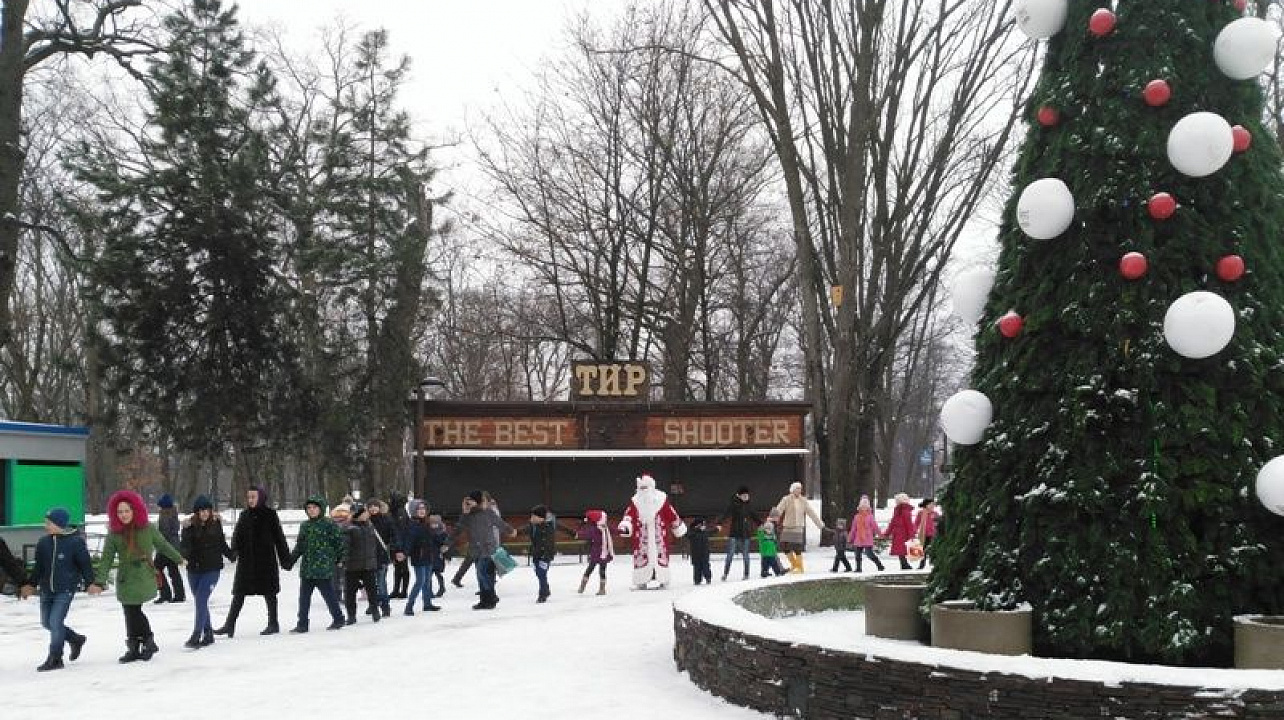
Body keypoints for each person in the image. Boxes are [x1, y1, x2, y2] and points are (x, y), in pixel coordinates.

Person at [93, 489, 186, 663]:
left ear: (134, 510)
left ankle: (147, 641)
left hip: (143, 575)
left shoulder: (147, 528)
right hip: (126, 578)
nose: (123, 515)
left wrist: (178, 558)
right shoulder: (114, 533)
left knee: (133, 610)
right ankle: (136, 646)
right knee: (129, 611)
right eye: (119, 512)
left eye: (127, 511)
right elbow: (106, 558)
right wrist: (99, 581)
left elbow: (163, 545)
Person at [21, 507, 100, 671]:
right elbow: (39, 568)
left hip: (65, 589)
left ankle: (55, 658)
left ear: (59, 524)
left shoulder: (75, 542)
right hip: (46, 590)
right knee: (46, 622)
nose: (46, 526)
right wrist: (30, 585)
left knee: (55, 622)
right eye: (46, 522)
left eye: (49, 523)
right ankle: (75, 639)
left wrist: (91, 582)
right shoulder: (44, 542)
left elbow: (85, 565)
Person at [216, 485, 291, 638]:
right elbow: (237, 536)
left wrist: (285, 560)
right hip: (247, 562)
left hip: (265, 561)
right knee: (239, 593)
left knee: (270, 593)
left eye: (253, 497)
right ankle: (229, 625)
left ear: (261, 498)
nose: (250, 500)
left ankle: (273, 623)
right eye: (248, 497)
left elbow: (279, 538)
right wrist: (234, 551)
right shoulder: (244, 515)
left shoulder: (270, 515)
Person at [179, 495, 234, 649]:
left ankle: (197, 634)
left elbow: (222, 544)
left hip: (212, 568)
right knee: (200, 601)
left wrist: (231, 555)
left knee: (201, 599)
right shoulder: (189, 527)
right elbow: (185, 546)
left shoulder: (216, 524)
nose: (204, 513)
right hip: (194, 569)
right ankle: (208, 634)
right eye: (201, 510)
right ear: (196, 512)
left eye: (207, 510)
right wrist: (183, 556)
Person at [288, 495, 347, 633]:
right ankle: (302, 623)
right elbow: (300, 546)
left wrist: (339, 559)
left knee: (329, 596)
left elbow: (339, 543)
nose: (311, 510)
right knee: (303, 599)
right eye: (309, 508)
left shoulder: (329, 524)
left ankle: (338, 618)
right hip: (307, 568)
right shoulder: (305, 526)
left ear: (321, 509)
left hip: (323, 568)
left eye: (314, 507)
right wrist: (291, 560)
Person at [618, 473, 687, 589]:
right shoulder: (635, 501)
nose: (644, 490)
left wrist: (677, 525)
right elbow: (629, 514)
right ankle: (641, 581)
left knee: (661, 558)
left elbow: (671, 513)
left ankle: (664, 581)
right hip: (641, 537)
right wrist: (626, 524)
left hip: (659, 536)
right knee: (641, 558)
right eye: (642, 488)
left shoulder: (661, 499)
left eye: (646, 487)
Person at [453, 489, 515, 610]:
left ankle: (490, 599)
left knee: (483, 575)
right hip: (476, 550)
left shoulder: (488, 512)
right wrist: (465, 512)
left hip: (488, 549)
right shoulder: (468, 515)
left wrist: (511, 531)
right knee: (482, 576)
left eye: (471, 500)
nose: (469, 503)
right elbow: (459, 528)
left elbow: (500, 523)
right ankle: (486, 599)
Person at [394, 499, 443, 614]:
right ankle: (409, 606)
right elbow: (408, 540)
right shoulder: (412, 524)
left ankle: (427, 604)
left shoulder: (426, 523)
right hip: (419, 556)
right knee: (420, 581)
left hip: (428, 555)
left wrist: (441, 537)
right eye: (419, 509)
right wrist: (404, 553)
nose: (422, 511)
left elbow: (433, 538)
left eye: (423, 508)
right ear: (413, 511)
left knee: (427, 581)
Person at [773, 481, 827, 573]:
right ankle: (794, 565)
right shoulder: (786, 499)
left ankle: (800, 567)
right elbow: (779, 509)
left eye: (800, 489)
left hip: (798, 527)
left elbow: (812, 513)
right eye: (797, 488)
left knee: (797, 547)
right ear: (792, 490)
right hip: (787, 526)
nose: (799, 490)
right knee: (784, 546)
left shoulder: (803, 500)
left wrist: (821, 525)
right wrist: (772, 519)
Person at [342, 502, 382, 624]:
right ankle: (351, 615)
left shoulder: (370, 526)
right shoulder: (349, 528)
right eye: (364, 512)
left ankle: (375, 610)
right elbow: (345, 547)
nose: (367, 514)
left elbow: (375, 545)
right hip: (352, 566)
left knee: (372, 590)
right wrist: (343, 560)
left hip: (369, 565)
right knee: (350, 592)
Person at [716, 486, 761, 582]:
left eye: (747, 495)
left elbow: (755, 516)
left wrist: (761, 524)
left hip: (746, 533)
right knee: (730, 554)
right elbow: (726, 514)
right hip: (735, 533)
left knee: (746, 554)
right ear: (739, 496)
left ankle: (746, 573)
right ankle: (725, 573)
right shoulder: (734, 505)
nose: (746, 497)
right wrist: (720, 523)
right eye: (744, 495)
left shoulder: (750, 506)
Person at [519, 504, 557, 603]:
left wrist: (574, 533)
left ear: (541, 518)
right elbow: (524, 529)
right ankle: (546, 589)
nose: (531, 518)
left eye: (534, 516)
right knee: (539, 573)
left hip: (546, 554)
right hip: (536, 553)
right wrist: (514, 531)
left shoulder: (550, 525)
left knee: (541, 573)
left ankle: (543, 594)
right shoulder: (532, 525)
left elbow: (562, 528)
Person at [153, 494, 185, 604]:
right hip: (174, 546)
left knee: (156, 569)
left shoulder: (165, 515)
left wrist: (157, 539)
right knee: (173, 571)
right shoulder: (173, 513)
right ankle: (179, 594)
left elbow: (164, 533)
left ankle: (165, 593)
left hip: (166, 547)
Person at [368, 499, 395, 617]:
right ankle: (373, 604)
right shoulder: (365, 521)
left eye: (375, 506)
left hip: (382, 556)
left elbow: (393, 536)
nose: (373, 508)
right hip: (368, 557)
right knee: (371, 584)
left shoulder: (386, 520)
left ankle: (385, 606)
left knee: (381, 583)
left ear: (380, 507)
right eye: (371, 506)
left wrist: (395, 549)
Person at [577, 509, 613, 595]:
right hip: (604, 554)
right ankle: (602, 589)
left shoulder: (593, 529)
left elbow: (586, 534)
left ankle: (582, 587)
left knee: (589, 569)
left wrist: (578, 533)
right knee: (602, 571)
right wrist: (624, 530)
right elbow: (615, 530)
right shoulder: (606, 529)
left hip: (596, 554)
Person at [848, 495, 885, 573]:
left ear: (868, 508)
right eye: (862, 507)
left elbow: (875, 527)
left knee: (869, 554)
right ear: (859, 508)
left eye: (865, 507)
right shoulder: (856, 517)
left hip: (867, 538)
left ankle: (879, 565)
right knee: (857, 554)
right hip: (858, 539)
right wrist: (850, 538)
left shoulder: (870, 517)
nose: (863, 509)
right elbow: (853, 529)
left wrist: (880, 534)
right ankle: (858, 568)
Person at [883, 493, 917, 570]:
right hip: (903, 533)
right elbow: (908, 524)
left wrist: (887, 533)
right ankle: (904, 564)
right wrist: (912, 535)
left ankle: (904, 564)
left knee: (901, 550)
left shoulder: (900, 510)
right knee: (902, 550)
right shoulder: (903, 510)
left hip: (900, 533)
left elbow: (893, 522)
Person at [388, 492, 411, 599]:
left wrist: (399, 548)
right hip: (397, 544)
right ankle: (397, 590)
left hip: (400, 545)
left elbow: (400, 531)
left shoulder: (399, 512)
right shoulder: (397, 511)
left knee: (403, 568)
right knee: (398, 568)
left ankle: (403, 591)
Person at [427, 512, 450, 597]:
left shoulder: (442, 533)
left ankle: (442, 587)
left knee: (437, 573)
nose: (433, 525)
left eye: (435, 523)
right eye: (432, 523)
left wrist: (447, 555)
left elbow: (444, 544)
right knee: (429, 574)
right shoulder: (428, 531)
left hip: (438, 556)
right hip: (429, 556)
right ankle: (429, 591)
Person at [687, 516, 713, 585]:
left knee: (706, 566)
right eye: (702, 524)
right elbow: (688, 535)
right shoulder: (692, 532)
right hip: (696, 553)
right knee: (697, 567)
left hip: (705, 552)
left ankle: (708, 578)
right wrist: (697, 529)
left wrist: (717, 529)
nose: (703, 526)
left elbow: (711, 532)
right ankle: (697, 580)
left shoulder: (704, 532)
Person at [914, 498, 939, 570]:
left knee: (933, 550)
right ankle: (922, 564)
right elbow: (916, 523)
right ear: (926, 505)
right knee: (923, 550)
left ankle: (935, 564)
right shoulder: (921, 513)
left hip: (933, 535)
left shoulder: (935, 514)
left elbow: (939, 523)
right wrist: (914, 531)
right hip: (924, 535)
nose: (932, 506)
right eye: (931, 504)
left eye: (933, 504)